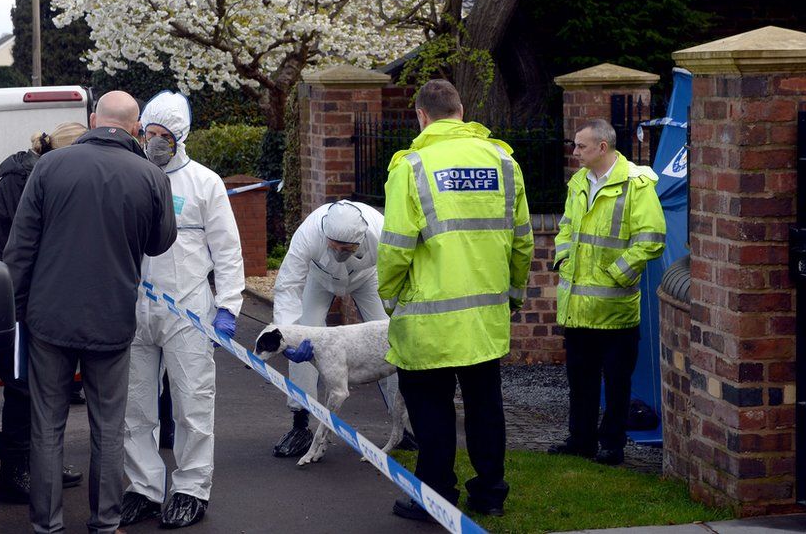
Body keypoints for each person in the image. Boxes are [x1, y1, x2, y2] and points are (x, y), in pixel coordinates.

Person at [3, 90, 177, 534]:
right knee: (108, 427)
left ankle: (47, 525)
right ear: (135, 128)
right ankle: (104, 523)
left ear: (94, 118)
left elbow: (20, 249)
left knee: (47, 426)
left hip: (49, 319)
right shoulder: (151, 177)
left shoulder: (49, 167)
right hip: (112, 319)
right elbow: (160, 242)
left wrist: (15, 313)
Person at [377, 79, 533, 521]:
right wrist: (513, 297)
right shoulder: (504, 161)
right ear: (461, 111)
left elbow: (394, 247)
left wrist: (390, 299)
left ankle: (435, 497)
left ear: (421, 116)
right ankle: (490, 494)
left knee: (431, 411)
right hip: (485, 317)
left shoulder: (412, 166)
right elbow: (522, 241)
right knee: (485, 407)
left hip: (429, 320)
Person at [119, 91, 244, 529]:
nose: (154, 142)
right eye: (148, 133)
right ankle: (144, 488)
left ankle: (191, 488)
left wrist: (229, 306)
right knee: (135, 407)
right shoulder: (131, 177)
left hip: (188, 309)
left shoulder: (204, 183)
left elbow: (227, 250)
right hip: (136, 308)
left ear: (180, 137)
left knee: (192, 403)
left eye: (162, 135)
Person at [0, 122, 86, 504]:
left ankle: (38, 463)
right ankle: (14, 474)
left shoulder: (32, 176)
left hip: (9, 297)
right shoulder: (27, 183)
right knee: (23, 388)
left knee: (39, 386)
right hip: (2, 303)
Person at [547, 118, 665, 466]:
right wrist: (563, 256)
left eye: (580, 145)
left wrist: (618, 273)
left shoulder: (636, 185)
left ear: (603, 147)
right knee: (579, 380)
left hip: (615, 310)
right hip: (578, 306)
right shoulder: (579, 182)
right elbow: (566, 226)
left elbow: (652, 236)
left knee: (616, 383)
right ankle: (580, 440)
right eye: (574, 144)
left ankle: (612, 444)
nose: (574, 151)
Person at [271, 200, 409, 458]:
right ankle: (300, 425)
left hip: (368, 277)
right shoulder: (308, 234)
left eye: (346, 248)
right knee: (302, 337)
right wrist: (286, 333)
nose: (338, 251)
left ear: (360, 239)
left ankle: (404, 426)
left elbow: (399, 275)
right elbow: (288, 285)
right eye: (333, 246)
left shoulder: (381, 231)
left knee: (395, 342)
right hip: (319, 278)